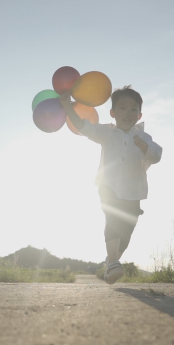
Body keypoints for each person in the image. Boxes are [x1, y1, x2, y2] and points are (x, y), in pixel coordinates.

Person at [59, 85, 162, 284]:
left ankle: (110, 261)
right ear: (113, 113)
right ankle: (114, 262)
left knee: (127, 231)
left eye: (133, 109)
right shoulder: (107, 133)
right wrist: (67, 106)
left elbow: (157, 156)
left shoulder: (143, 137)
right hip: (109, 186)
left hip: (134, 191)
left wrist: (146, 148)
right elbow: (83, 126)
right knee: (113, 218)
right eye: (122, 108)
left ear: (139, 115)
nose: (128, 113)